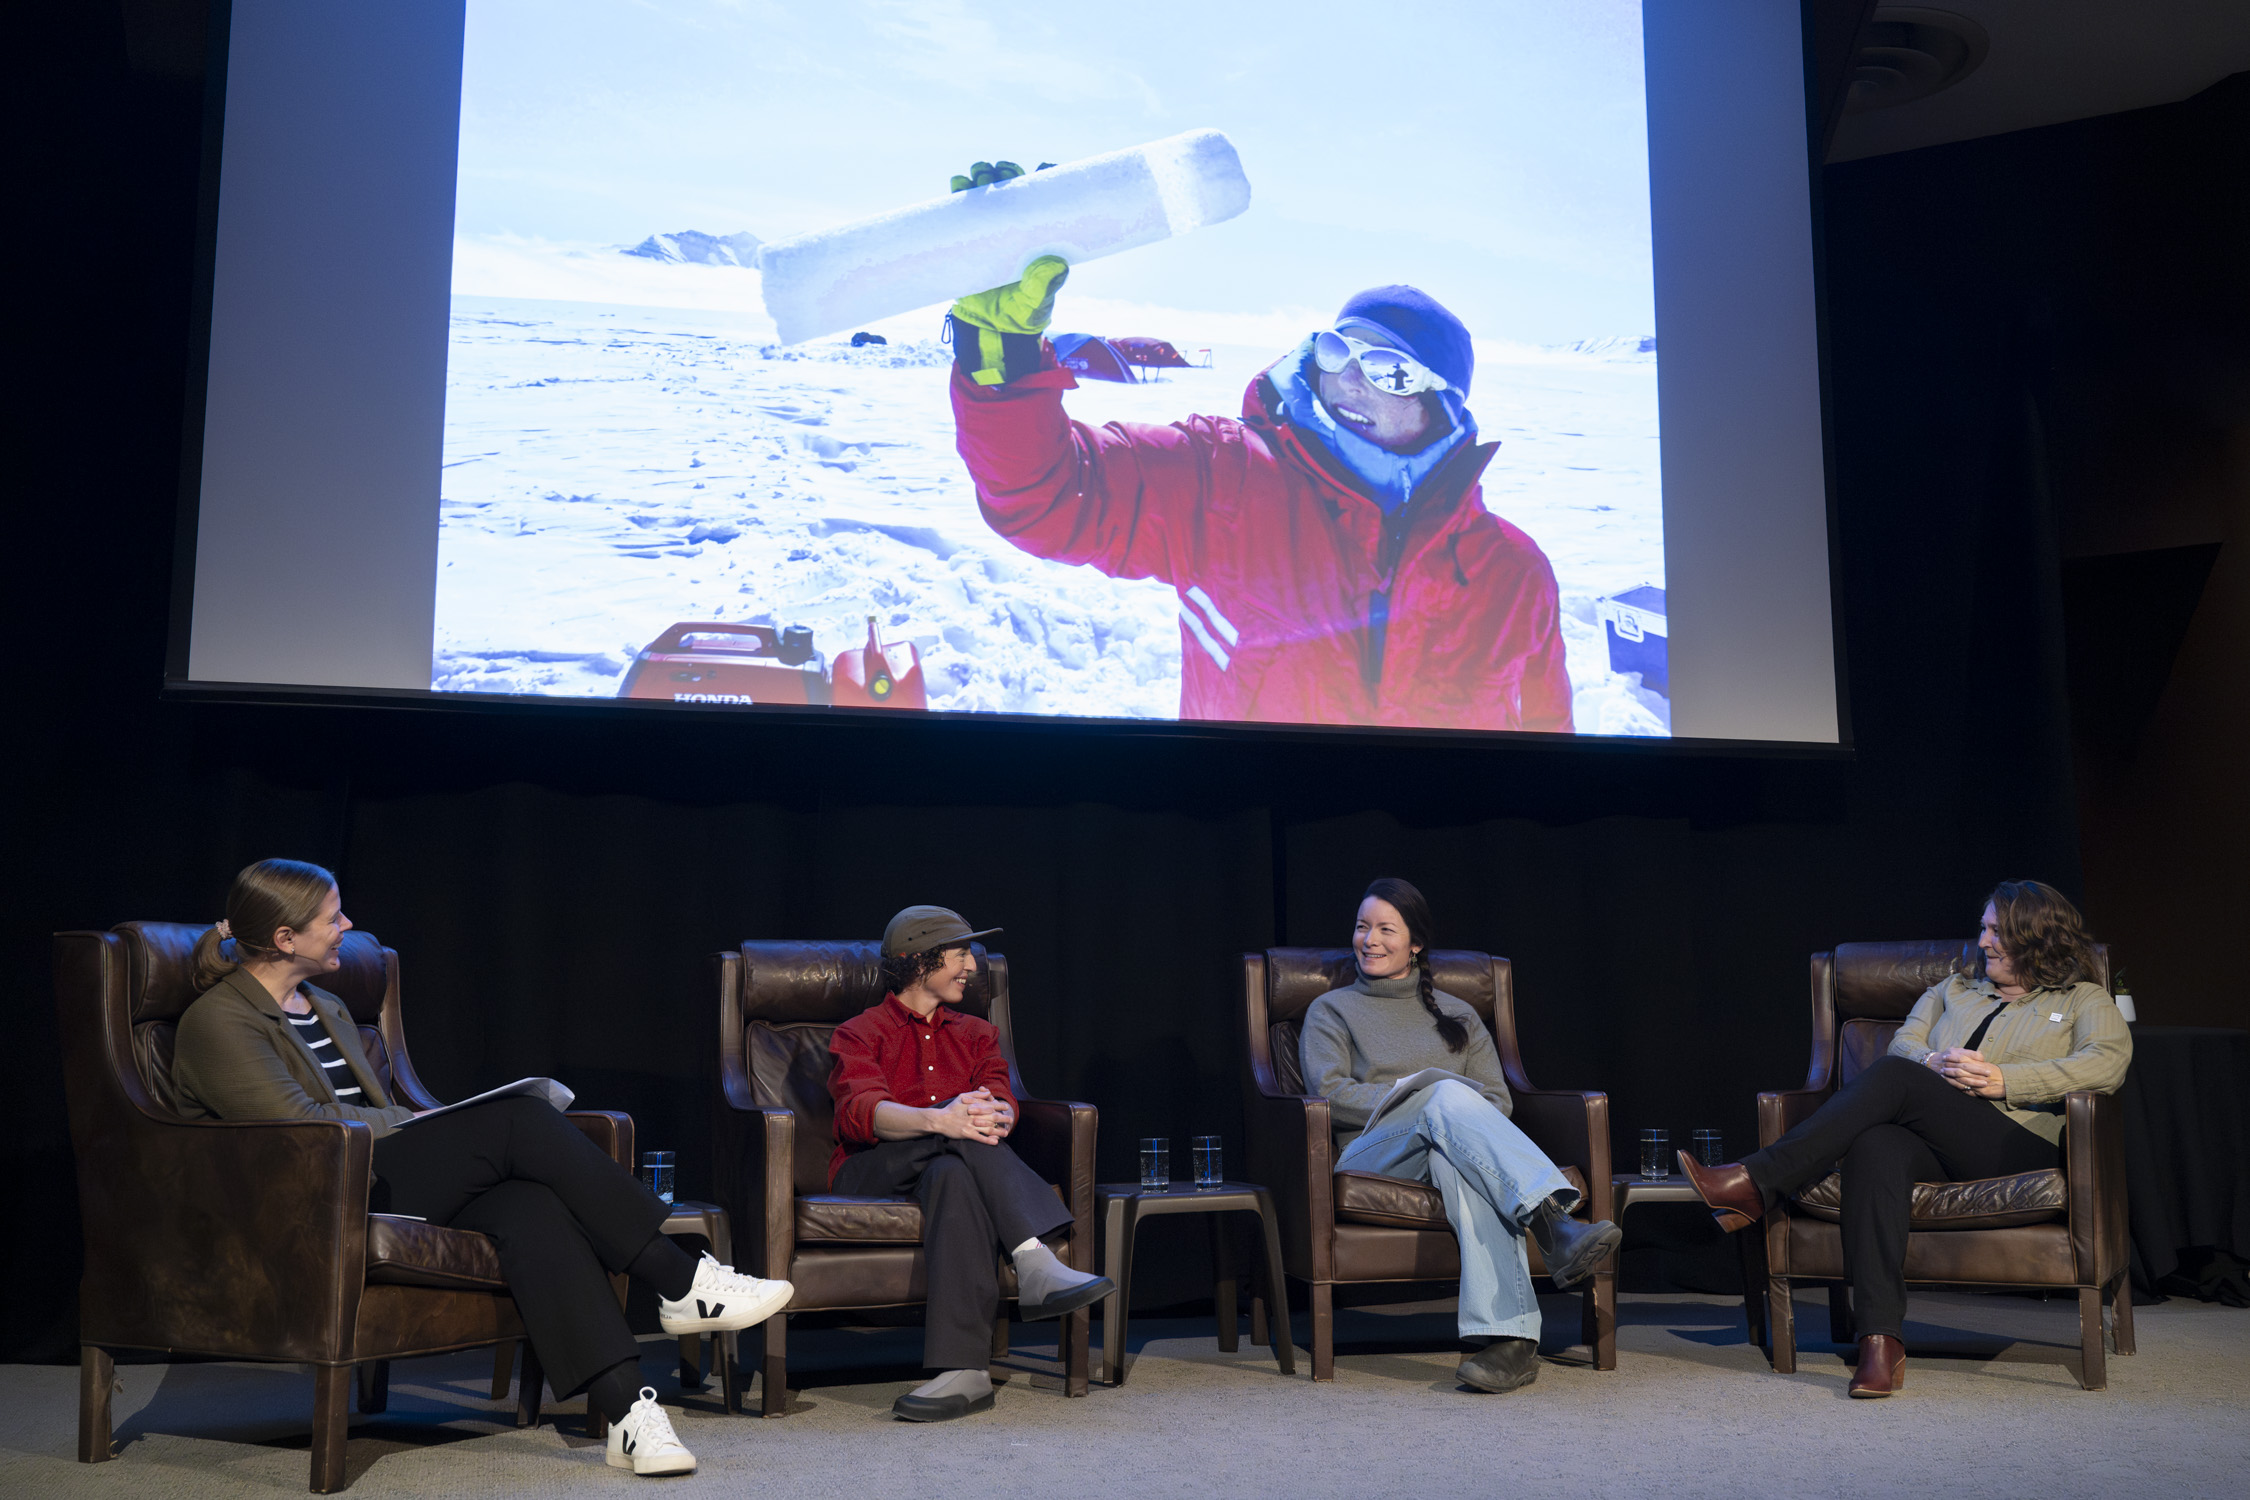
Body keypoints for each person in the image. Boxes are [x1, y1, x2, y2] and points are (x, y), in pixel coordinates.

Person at [172, 859, 793, 1477]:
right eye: (332, 917)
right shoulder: (219, 1021)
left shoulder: (326, 1004)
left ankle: (630, 1415)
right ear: (285, 939)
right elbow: (305, 1129)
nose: (347, 925)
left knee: (533, 1207)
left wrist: (438, 1124)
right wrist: (435, 1128)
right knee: (518, 1119)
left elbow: (383, 1106)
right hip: (315, 1188)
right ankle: (679, 1281)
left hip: (375, 1169)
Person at [947, 248, 1573, 733]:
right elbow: (1054, 494)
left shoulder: (1514, 577)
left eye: (1390, 370)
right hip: (1251, 862)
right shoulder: (1224, 479)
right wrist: (999, 363)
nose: (1352, 380)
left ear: (1442, 407)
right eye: (1339, 350)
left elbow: (1548, 756)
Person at [1679, 879, 2132, 1398]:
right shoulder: (1951, 991)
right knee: (1878, 1146)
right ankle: (1880, 1340)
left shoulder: (2082, 999)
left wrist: (2006, 1079)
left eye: (1995, 932)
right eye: (1983, 929)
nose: (1982, 942)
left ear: (2036, 937)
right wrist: (1933, 1062)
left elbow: (2107, 1064)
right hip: (1941, 1142)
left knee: (1895, 1077)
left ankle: (1755, 1181)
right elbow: (1904, 1045)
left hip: (2016, 1144)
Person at [1299, 878, 1621, 1393]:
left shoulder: (1460, 1014)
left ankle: (1510, 1343)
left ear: (1416, 943)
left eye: (1386, 929)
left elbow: (1498, 1102)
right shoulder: (1331, 1010)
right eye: (1363, 927)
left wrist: (1439, 1107)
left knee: (1459, 1163)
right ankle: (1551, 1221)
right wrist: (1415, 1097)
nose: (1370, 940)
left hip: (1447, 1149)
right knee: (1444, 1096)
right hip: (1370, 1152)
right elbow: (1329, 1096)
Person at [826, 905, 1115, 1421]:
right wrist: (943, 1120)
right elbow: (861, 1113)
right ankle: (1035, 1259)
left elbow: (1002, 1097)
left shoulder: (977, 1033)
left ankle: (965, 1372)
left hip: (948, 1167)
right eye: (961, 954)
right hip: (871, 1170)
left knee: (953, 1174)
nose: (973, 967)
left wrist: (996, 1115)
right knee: (955, 1137)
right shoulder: (860, 1032)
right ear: (920, 960)